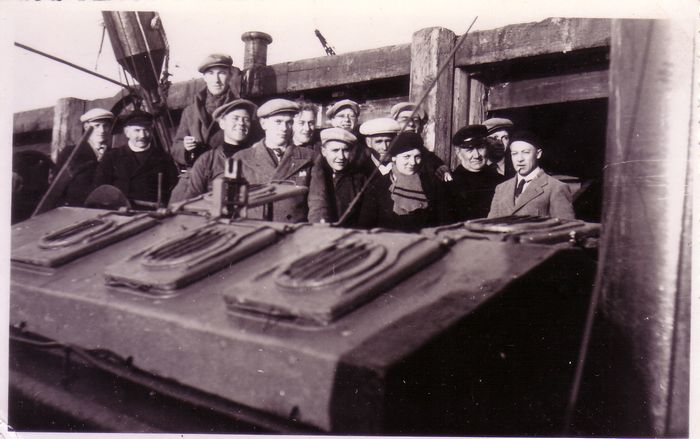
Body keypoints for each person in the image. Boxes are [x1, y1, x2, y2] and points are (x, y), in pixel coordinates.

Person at [233, 98, 315, 223]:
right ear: (263, 124)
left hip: (294, 230)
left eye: (289, 122)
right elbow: (231, 205)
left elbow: (318, 204)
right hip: (255, 229)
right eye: (278, 122)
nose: (284, 128)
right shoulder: (241, 158)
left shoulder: (310, 157)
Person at [356, 132, 450, 232]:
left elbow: (445, 223)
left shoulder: (433, 184)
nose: (413, 162)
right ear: (394, 158)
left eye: (417, 157)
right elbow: (365, 228)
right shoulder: (378, 186)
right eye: (407, 156)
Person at [169, 99, 257, 202]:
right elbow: (192, 199)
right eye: (235, 118)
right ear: (222, 124)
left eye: (246, 119)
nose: (241, 123)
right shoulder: (207, 161)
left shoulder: (257, 156)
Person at [93, 110, 178, 205]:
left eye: (146, 130)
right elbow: (100, 190)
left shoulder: (163, 158)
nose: (142, 135)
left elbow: (173, 190)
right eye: (137, 130)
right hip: (119, 210)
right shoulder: (112, 157)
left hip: (152, 211)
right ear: (127, 133)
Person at [171, 54, 238, 169]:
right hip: (197, 171)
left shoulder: (240, 108)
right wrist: (185, 147)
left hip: (228, 170)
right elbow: (176, 148)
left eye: (221, 73)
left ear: (230, 75)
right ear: (205, 78)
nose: (216, 80)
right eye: (211, 73)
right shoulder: (190, 111)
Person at [488, 131, 575, 219]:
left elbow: (566, 226)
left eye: (526, 152)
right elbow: (489, 225)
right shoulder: (501, 188)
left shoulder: (556, 187)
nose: (519, 159)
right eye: (514, 154)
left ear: (538, 154)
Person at [55, 108, 115, 206]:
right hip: (76, 209)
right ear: (86, 127)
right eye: (97, 126)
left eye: (106, 126)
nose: (102, 130)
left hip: (106, 208)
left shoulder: (114, 154)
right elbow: (57, 185)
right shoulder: (71, 153)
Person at [307, 128, 367, 224]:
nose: (341, 156)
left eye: (345, 150)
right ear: (324, 151)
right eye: (335, 150)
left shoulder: (359, 178)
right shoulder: (313, 173)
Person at [449, 124, 506, 220]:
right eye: (469, 150)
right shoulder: (449, 184)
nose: (476, 155)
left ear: (487, 148)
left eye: (480, 147)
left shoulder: (501, 182)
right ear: (458, 153)